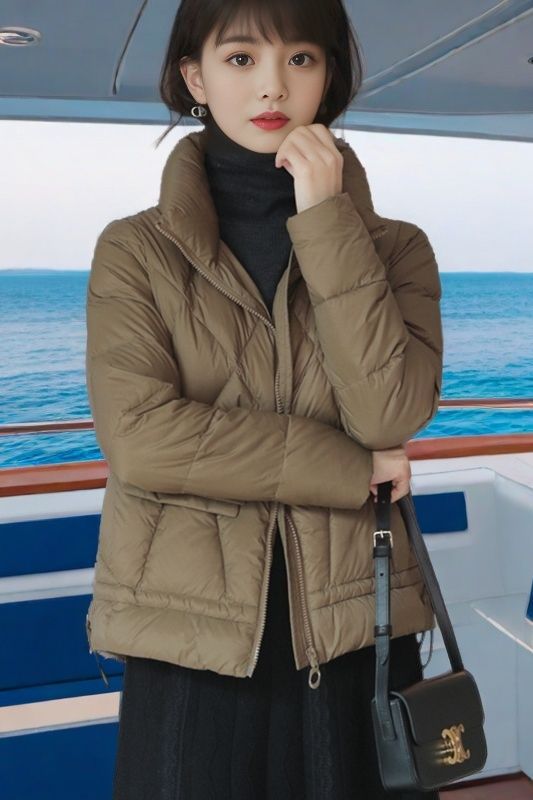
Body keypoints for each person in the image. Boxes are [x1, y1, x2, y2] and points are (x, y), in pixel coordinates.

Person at [84, 0, 444, 797]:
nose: (273, 85)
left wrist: (327, 219)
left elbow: (389, 413)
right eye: (241, 59)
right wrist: (349, 469)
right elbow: (140, 439)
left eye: (301, 58)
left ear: (329, 76)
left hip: (356, 625)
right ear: (195, 78)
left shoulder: (396, 249)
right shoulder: (135, 250)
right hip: (190, 636)